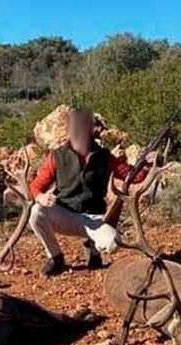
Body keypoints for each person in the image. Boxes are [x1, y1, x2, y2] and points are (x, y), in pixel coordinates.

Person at [29, 107, 153, 276]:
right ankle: (56, 258)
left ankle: (93, 249)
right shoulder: (57, 156)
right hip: (66, 215)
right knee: (36, 212)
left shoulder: (104, 156)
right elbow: (35, 186)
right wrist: (41, 197)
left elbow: (133, 176)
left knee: (112, 244)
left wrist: (146, 163)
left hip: (94, 218)